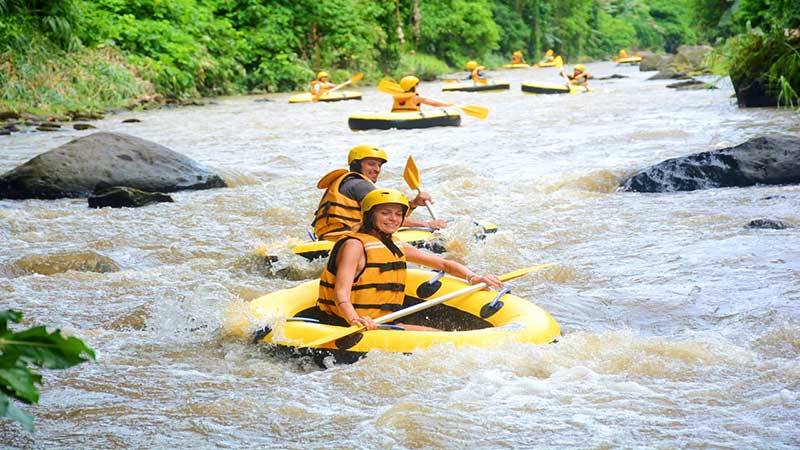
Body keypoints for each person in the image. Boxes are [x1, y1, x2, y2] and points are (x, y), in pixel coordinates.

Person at [317, 189, 503, 331]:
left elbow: (444, 264)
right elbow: (341, 293)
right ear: (369, 215)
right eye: (385, 213)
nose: (393, 219)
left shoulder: (394, 244)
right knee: (438, 338)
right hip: (349, 324)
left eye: (398, 214)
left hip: (383, 321)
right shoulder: (354, 246)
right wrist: (354, 320)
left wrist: (474, 277)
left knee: (439, 334)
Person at [312, 145, 447, 241]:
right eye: (371, 164)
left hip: (329, 236)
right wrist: (427, 225)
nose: (377, 169)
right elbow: (387, 218)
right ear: (357, 164)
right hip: (345, 238)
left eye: (379, 165)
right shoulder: (360, 185)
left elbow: (386, 214)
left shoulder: (345, 181)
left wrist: (413, 204)